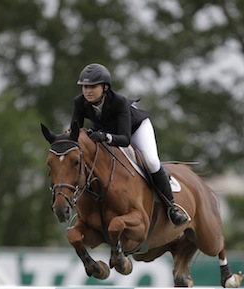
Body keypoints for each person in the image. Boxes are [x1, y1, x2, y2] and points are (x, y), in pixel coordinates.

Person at [70, 63, 188, 227]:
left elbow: (125, 139)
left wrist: (105, 136)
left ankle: (172, 208)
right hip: (109, 133)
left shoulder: (119, 102)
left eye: (93, 86)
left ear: (104, 87)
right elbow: (75, 133)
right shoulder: (80, 102)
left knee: (151, 162)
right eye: (85, 86)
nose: (88, 90)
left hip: (136, 130)